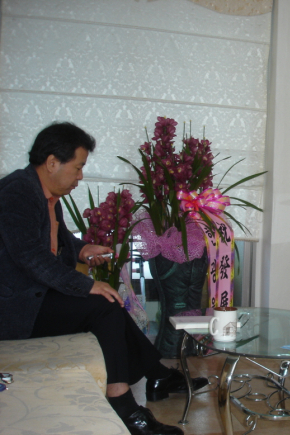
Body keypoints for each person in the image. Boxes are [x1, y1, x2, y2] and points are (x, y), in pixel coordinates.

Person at [0, 122, 207, 435]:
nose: (81, 176)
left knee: (108, 301)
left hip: (35, 296)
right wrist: (86, 284)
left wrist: (82, 250)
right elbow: (30, 255)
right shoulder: (17, 193)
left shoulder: (45, 194)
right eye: (78, 167)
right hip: (15, 308)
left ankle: (158, 375)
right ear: (52, 162)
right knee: (103, 305)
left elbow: (55, 242)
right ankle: (125, 406)